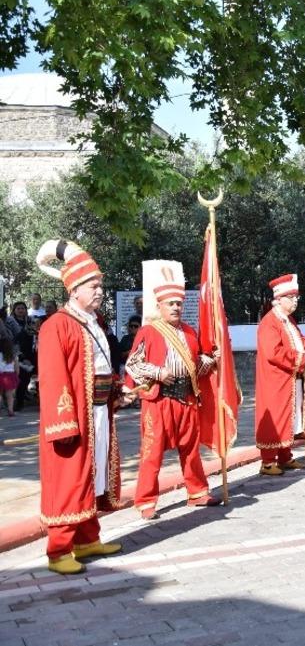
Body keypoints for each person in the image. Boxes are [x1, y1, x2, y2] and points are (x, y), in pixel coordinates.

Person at [33, 239, 123, 575]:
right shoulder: (57, 325)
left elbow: (100, 365)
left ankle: (87, 539)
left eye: (100, 285)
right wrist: (64, 423)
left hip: (99, 411)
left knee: (93, 476)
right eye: (93, 285)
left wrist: (117, 389)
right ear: (74, 289)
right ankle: (58, 551)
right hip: (75, 418)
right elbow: (55, 378)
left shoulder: (93, 322)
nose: (100, 291)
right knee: (70, 481)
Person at [123, 265, 220, 519]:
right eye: (170, 304)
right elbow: (133, 364)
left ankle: (197, 492)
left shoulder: (189, 332)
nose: (176, 307)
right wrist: (157, 372)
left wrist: (212, 360)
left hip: (186, 397)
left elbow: (195, 367)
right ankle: (146, 501)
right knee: (152, 452)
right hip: (160, 399)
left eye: (178, 303)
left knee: (190, 448)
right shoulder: (148, 331)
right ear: (160, 306)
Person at [255, 273, 305, 475]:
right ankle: (268, 461)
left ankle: (285, 457)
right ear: (279, 299)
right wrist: (302, 358)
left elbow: (302, 340)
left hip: (292, 378)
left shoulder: (289, 321)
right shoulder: (269, 322)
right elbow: (274, 352)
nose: (296, 301)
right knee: (276, 416)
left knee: (291, 416)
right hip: (276, 378)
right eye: (292, 297)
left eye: (297, 297)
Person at [1, 337, 17, 417]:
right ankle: (10, 410)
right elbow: (16, 368)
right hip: (10, 375)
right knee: (10, 395)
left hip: (1, 375)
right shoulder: (13, 355)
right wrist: (16, 375)